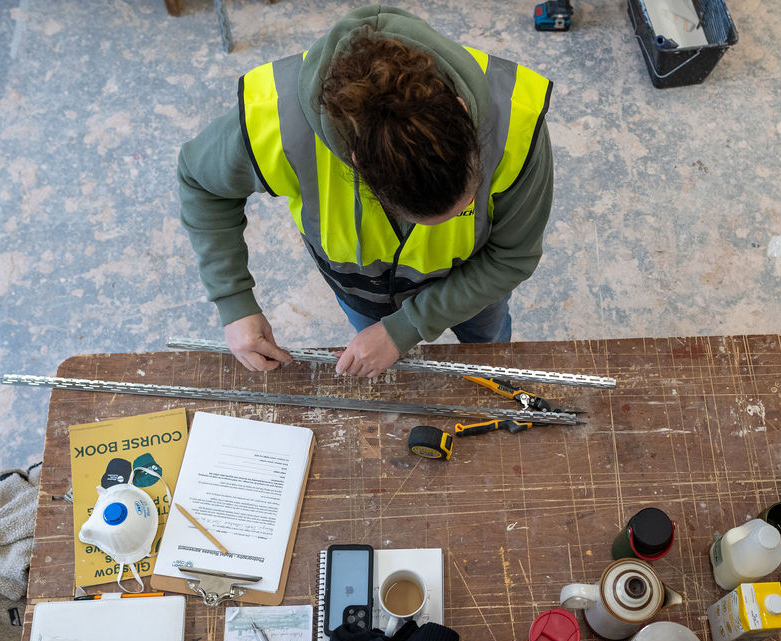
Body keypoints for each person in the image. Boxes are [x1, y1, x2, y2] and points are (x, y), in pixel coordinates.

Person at [178, 5, 554, 378]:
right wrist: (235, 303)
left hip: (477, 284)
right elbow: (200, 182)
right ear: (358, 165)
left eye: (468, 201)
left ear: (462, 109)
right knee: (382, 362)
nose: (469, 210)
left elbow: (511, 257)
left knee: (489, 348)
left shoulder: (515, 121)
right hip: (363, 292)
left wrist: (406, 327)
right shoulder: (274, 122)